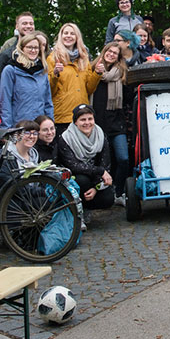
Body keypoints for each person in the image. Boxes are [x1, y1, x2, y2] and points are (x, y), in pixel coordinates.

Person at [58, 104, 114, 219]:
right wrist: (100, 171)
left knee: (108, 198)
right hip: (74, 178)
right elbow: (73, 166)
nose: (87, 123)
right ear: (75, 122)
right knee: (82, 180)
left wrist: (96, 188)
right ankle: (78, 211)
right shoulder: (66, 138)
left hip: (94, 177)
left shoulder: (100, 134)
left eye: (90, 119)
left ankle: (87, 206)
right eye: (83, 120)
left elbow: (105, 162)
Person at [91, 43, 131, 206]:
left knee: (123, 158)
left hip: (116, 123)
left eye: (115, 53)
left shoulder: (121, 74)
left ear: (118, 57)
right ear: (104, 52)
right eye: (109, 51)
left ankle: (119, 191)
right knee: (100, 162)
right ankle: (102, 194)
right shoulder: (93, 70)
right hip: (96, 124)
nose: (111, 54)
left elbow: (128, 98)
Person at [47, 23, 101, 134]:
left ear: (77, 37)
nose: (68, 36)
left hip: (82, 115)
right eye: (65, 33)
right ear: (61, 36)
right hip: (62, 115)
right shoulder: (52, 58)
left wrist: (97, 73)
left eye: (72, 33)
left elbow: (89, 89)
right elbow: (49, 90)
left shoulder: (84, 58)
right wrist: (55, 74)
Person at [0, 33, 53, 128]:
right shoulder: (10, 70)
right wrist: (6, 128)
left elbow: (47, 102)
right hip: (19, 126)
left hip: (39, 126)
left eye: (36, 48)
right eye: (29, 47)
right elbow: (5, 103)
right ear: (22, 48)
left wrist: (50, 124)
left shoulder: (42, 71)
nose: (33, 50)